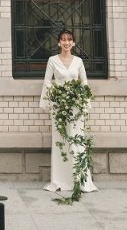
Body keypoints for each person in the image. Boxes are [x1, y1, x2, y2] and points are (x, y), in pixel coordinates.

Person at [39, 29, 96, 194]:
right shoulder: (52, 60)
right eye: (63, 39)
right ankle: (60, 180)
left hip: (75, 106)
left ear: (73, 43)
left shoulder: (78, 61)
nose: (66, 42)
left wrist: (82, 99)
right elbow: (47, 81)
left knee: (76, 139)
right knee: (61, 140)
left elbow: (83, 80)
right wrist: (57, 93)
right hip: (59, 106)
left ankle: (80, 180)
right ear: (59, 43)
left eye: (69, 39)